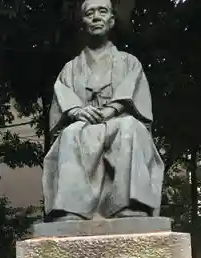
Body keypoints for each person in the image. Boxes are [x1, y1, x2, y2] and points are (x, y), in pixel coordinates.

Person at [43, 0, 165, 222]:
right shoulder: (70, 68)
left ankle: (129, 203)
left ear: (111, 20)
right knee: (70, 134)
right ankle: (72, 208)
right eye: (90, 13)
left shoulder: (129, 62)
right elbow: (63, 100)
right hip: (84, 127)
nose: (96, 17)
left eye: (102, 12)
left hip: (119, 122)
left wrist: (113, 109)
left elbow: (134, 95)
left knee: (131, 128)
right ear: (83, 22)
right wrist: (77, 111)